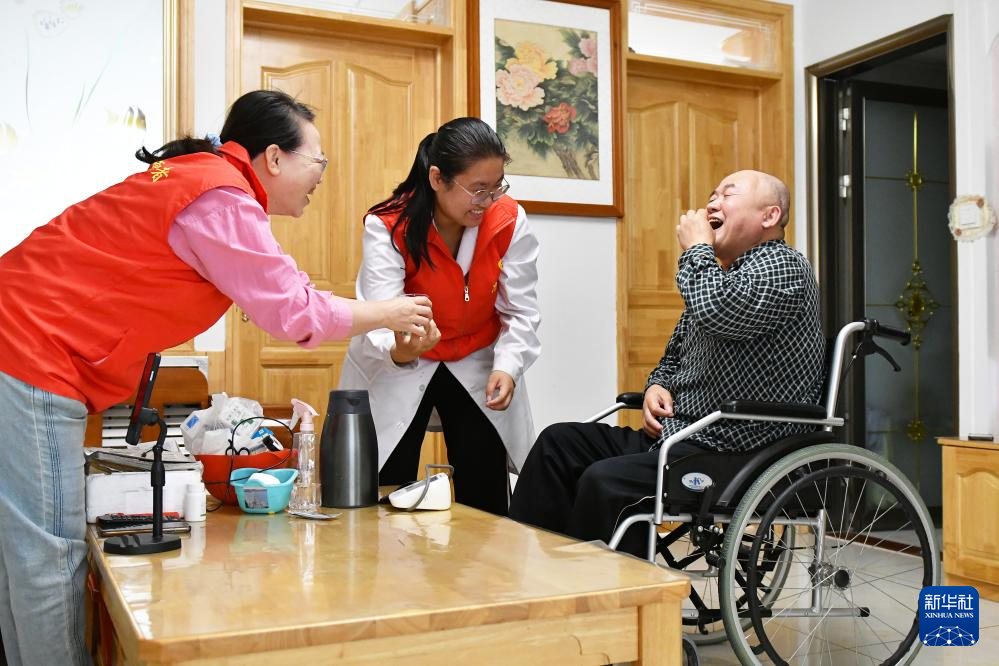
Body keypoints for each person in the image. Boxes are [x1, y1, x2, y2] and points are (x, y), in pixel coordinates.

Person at [0, 89, 432, 666]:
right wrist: (390, 311)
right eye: (319, 161)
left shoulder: (200, 180)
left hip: (20, 343)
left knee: (25, 550)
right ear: (274, 157)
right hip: (30, 351)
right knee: (49, 553)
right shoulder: (220, 196)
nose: (321, 176)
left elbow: (285, 290)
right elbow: (294, 312)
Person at [509, 170, 825, 556]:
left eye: (728, 194)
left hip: (733, 450)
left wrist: (697, 250)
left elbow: (718, 311)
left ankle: (615, 591)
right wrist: (656, 386)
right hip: (680, 437)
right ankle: (524, 571)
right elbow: (673, 356)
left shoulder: (784, 266)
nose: (712, 203)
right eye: (712, 194)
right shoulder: (720, 277)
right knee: (557, 444)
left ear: (769, 216)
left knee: (606, 480)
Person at [338, 117, 541, 516]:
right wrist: (401, 350)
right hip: (403, 362)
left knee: (485, 491)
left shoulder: (508, 221)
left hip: (475, 356)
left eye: (497, 186)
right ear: (436, 178)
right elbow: (380, 312)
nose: (488, 200)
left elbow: (521, 310)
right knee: (387, 483)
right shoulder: (389, 225)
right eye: (477, 189)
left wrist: (508, 365)